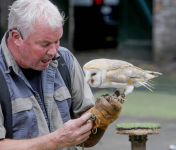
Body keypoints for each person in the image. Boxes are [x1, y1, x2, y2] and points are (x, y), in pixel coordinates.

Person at [0, 0, 122, 149]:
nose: (53, 51)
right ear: (17, 37)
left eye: (57, 41)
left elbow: (86, 141)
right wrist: (55, 141)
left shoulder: (65, 61)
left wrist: (101, 122)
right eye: (44, 44)